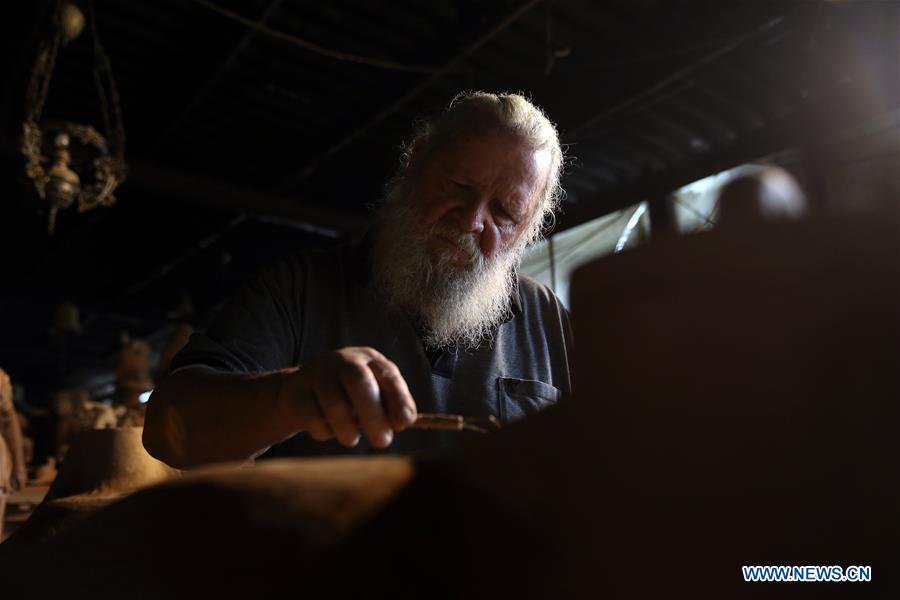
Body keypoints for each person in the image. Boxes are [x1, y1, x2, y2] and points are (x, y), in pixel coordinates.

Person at [143, 91, 573, 468]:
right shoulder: (299, 289)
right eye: (458, 186)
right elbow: (166, 430)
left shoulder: (547, 319)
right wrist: (287, 396)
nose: (473, 220)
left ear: (530, 227)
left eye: (504, 213)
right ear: (415, 161)